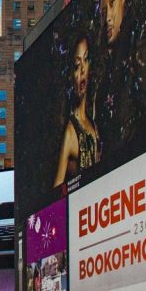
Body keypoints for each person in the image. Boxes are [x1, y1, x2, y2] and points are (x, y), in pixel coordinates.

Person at [94, 0, 146, 156]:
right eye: (103, 10)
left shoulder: (138, 43)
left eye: (112, 3)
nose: (107, 17)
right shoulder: (107, 62)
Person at [55, 33, 100, 186]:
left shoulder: (94, 124)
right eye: (76, 65)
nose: (81, 70)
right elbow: (54, 194)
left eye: (86, 60)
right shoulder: (70, 132)